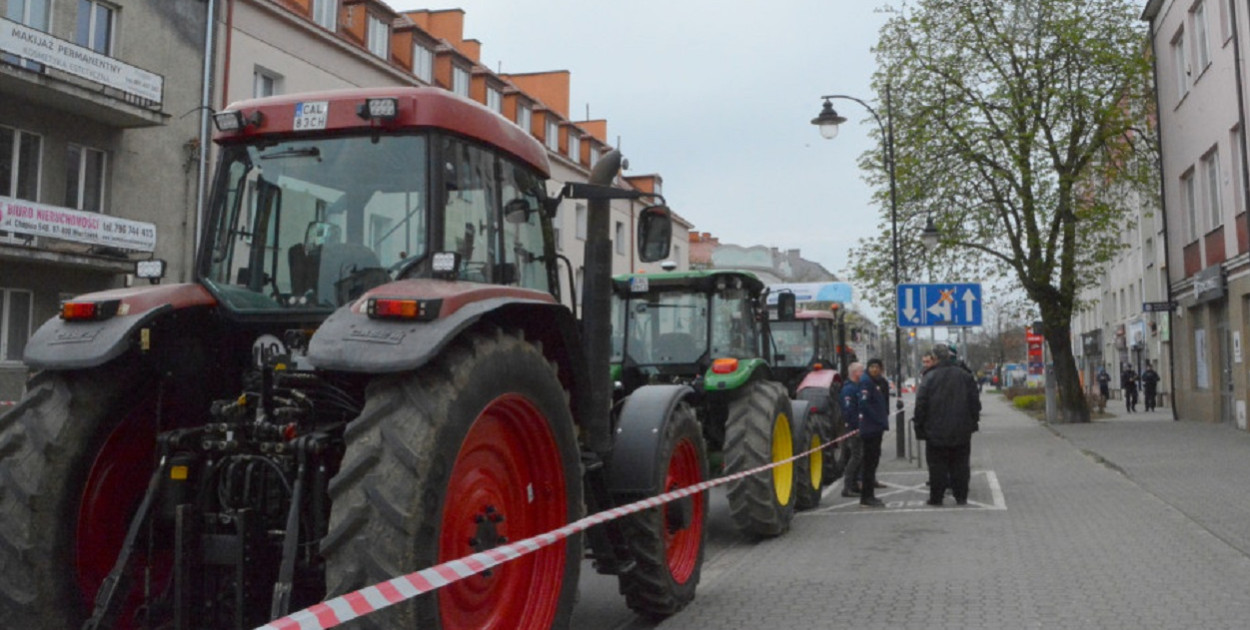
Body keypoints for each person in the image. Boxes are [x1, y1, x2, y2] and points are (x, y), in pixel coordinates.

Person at [913, 344, 981, 506]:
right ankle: (961, 497)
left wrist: (919, 427)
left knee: (937, 467)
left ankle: (936, 498)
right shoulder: (965, 376)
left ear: (935, 359)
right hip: (961, 429)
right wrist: (972, 422)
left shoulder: (929, 377)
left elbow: (921, 404)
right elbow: (975, 403)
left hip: (935, 431)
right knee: (960, 465)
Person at [857, 358, 891, 508]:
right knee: (869, 463)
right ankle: (867, 496)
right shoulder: (866, 382)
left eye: (877, 367)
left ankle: (869, 494)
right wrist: (878, 419)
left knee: (873, 461)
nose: (874, 370)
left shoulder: (877, 382)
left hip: (875, 428)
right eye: (871, 367)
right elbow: (864, 404)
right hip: (871, 428)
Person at [838, 362, 865, 498]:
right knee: (855, 457)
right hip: (854, 428)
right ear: (855, 373)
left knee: (859, 456)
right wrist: (856, 426)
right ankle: (847, 487)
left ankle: (854, 484)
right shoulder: (849, 389)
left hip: (859, 427)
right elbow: (848, 411)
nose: (863, 373)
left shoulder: (856, 387)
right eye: (862, 371)